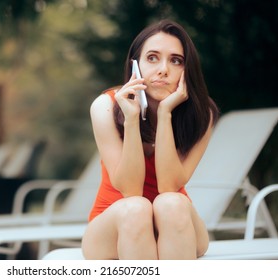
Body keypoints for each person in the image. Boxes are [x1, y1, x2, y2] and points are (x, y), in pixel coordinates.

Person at [81, 19, 219, 260]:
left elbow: (169, 186)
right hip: (117, 223)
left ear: (188, 70)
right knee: (137, 209)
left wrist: (165, 114)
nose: (163, 69)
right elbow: (130, 190)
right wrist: (131, 119)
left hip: (175, 221)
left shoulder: (201, 114)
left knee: (171, 203)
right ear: (135, 65)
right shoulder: (105, 106)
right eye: (152, 58)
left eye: (176, 60)